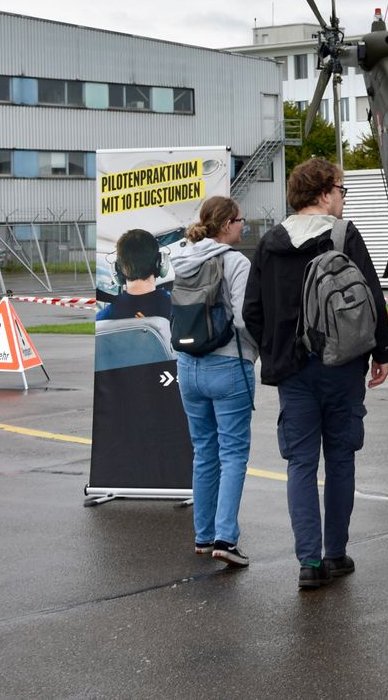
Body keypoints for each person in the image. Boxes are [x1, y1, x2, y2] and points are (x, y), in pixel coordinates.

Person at [244, 158, 388, 590]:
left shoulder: (270, 241)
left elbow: (253, 309)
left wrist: (276, 349)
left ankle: (308, 563)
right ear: (325, 193)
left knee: (301, 464)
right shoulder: (344, 236)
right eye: (341, 190)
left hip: (293, 370)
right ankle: (335, 553)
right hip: (342, 366)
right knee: (341, 459)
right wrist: (381, 351)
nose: (343, 198)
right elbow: (370, 298)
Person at [168, 196, 255, 569]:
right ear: (225, 225)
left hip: (188, 365)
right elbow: (242, 319)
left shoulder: (182, 259)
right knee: (233, 453)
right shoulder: (236, 262)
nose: (242, 226)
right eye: (239, 220)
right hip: (228, 364)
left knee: (204, 451)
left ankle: (203, 536)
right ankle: (225, 538)